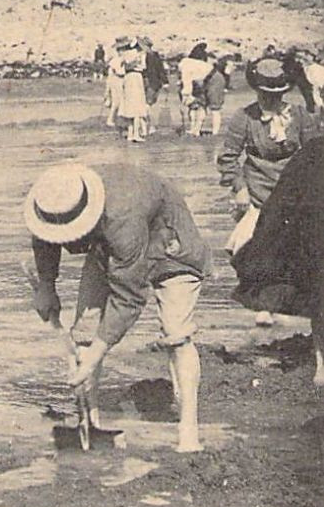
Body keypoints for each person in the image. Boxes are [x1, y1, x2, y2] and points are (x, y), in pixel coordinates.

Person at [24, 161, 207, 453]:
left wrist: (97, 353)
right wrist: (46, 287)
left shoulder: (122, 216)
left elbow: (130, 297)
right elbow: (45, 240)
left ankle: (188, 431)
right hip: (107, 245)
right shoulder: (57, 198)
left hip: (171, 245)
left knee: (177, 332)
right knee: (84, 332)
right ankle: (89, 420)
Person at [230, 136, 324, 385]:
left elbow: (280, 202)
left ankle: (322, 366)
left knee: (320, 298)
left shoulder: (312, 150)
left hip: (315, 240)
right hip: (316, 238)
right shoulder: (313, 151)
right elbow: (282, 202)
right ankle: (321, 366)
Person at [217, 57, 322, 266]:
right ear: (257, 91)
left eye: (275, 95)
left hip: (294, 197)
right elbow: (228, 158)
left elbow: (315, 156)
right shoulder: (244, 117)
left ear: (283, 93)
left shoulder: (300, 115)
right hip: (257, 197)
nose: (269, 99)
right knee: (251, 255)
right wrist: (240, 189)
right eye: (265, 94)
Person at [178, 44, 213, 136]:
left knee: (192, 108)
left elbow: (181, 74)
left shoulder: (184, 62)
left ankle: (192, 127)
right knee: (201, 108)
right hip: (200, 86)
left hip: (186, 87)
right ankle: (197, 129)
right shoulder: (205, 65)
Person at [118, 39, 149, 143]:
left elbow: (120, 65)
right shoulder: (140, 54)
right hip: (136, 77)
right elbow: (144, 67)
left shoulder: (126, 54)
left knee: (129, 106)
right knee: (137, 106)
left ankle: (130, 134)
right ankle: (136, 134)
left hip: (127, 78)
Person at [141, 37, 168, 136]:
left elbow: (159, 70)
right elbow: (161, 70)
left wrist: (165, 82)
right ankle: (148, 126)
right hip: (153, 83)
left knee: (147, 105)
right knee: (149, 105)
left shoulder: (150, 56)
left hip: (151, 83)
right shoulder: (155, 56)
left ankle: (149, 126)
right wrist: (165, 82)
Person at [204, 57, 231, 138]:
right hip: (216, 82)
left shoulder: (214, 66)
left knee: (215, 109)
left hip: (214, 82)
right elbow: (227, 74)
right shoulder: (220, 64)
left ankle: (215, 131)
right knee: (215, 109)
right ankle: (215, 131)